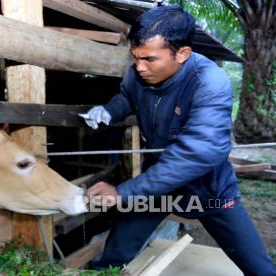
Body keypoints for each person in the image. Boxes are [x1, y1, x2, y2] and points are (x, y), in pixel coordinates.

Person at [83, 5, 276, 275]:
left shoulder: (209, 82)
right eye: (135, 57)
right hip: (158, 187)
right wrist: (109, 111)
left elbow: (196, 154)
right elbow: (127, 96)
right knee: (115, 252)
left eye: (149, 59)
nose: (139, 67)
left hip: (208, 190)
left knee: (258, 267)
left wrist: (122, 192)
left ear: (183, 53)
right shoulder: (138, 73)